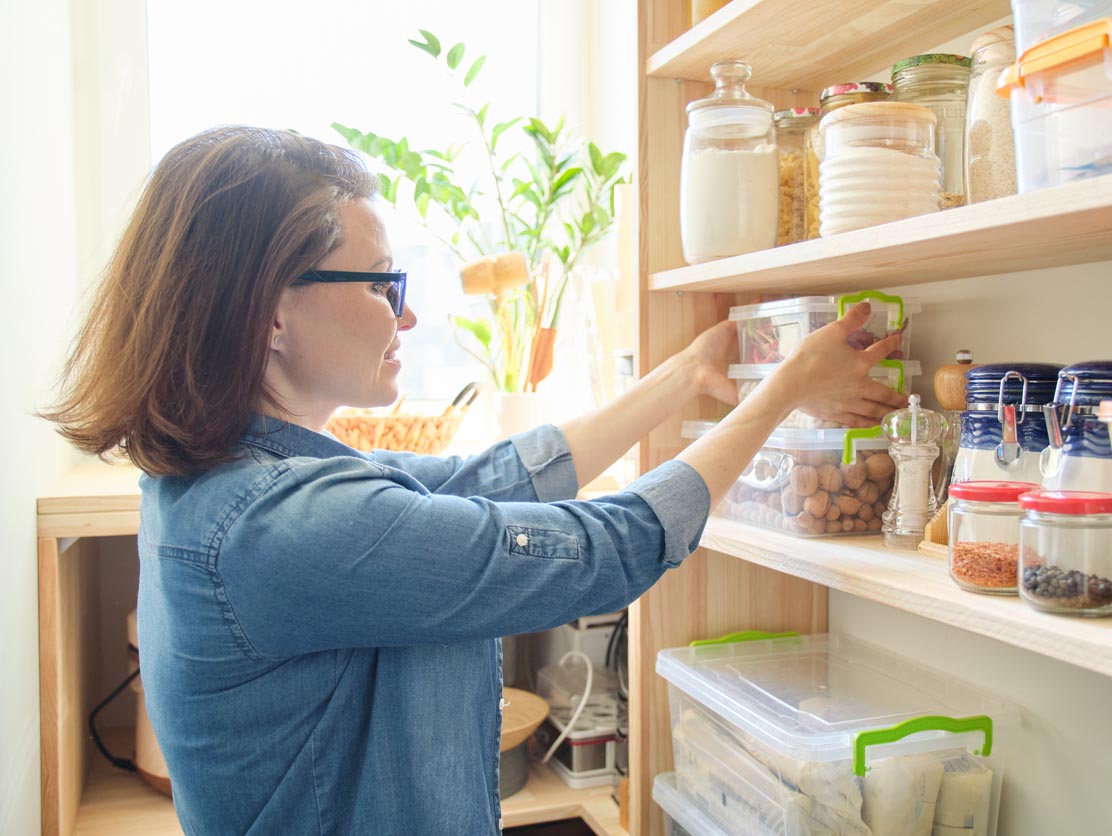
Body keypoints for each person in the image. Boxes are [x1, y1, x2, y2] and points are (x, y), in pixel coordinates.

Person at [45, 125, 905, 835]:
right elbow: (607, 548)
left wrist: (682, 380)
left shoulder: (250, 476)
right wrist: (784, 392)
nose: (409, 313)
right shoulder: (285, 524)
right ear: (268, 310)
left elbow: (482, 479)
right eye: (385, 284)